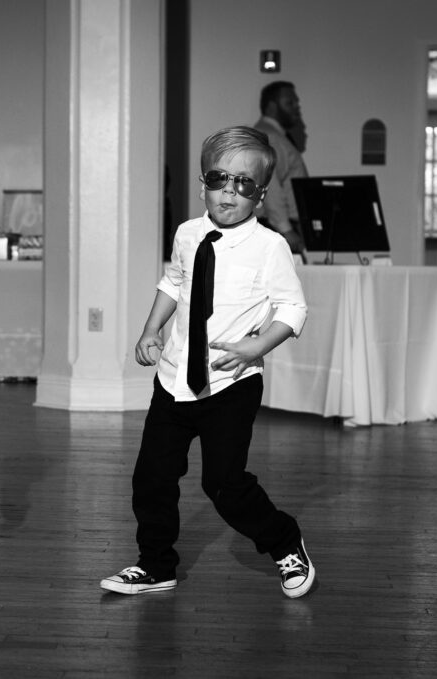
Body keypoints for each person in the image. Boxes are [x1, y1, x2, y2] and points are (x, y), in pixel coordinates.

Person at [100, 126, 314, 599]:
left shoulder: (269, 247)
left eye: (245, 184)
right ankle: (156, 565)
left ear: (260, 196)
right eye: (220, 180)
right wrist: (151, 330)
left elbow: (293, 309)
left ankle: (283, 541)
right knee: (151, 478)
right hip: (174, 377)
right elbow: (174, 283)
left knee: (225, 485)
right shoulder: (188, 233)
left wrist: (257, 349)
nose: (230, 192)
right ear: (203, 184)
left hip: (230, 385)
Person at [253, 81, 309, 253]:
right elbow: (269, 184)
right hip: (277, 228)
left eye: (296, 103)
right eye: (289, 103)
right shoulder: (269, 137)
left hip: (276, 227)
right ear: (271, 106)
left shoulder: (273, 136)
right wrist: (286, 230)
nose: (296, 108)